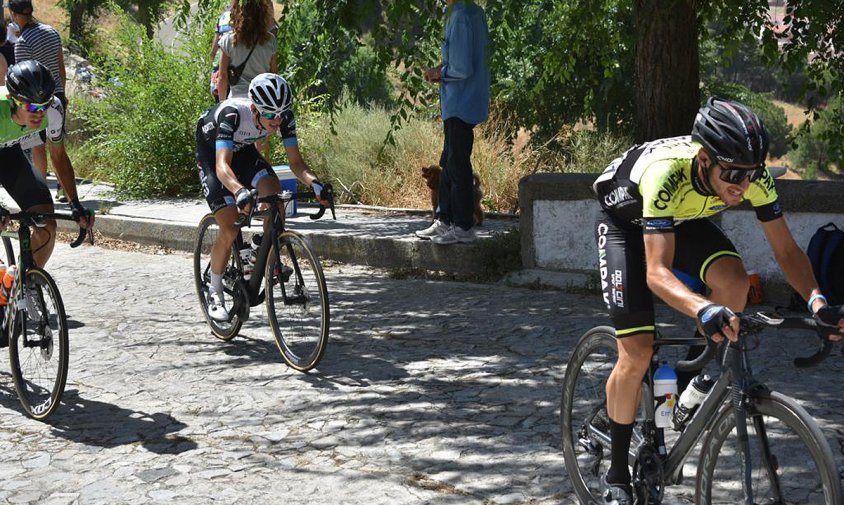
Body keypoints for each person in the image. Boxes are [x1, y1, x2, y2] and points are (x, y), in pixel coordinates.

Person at [590, 97, 844, 504]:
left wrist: (817, 301)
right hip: (624, 221)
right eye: (732, 174)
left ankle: (696, 381)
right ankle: (618, 474)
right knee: (636, 353)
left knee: (734, 283)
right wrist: (701, 308)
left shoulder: (750, 177)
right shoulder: (665, 176)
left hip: (679, 218)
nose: (742, 186)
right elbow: (657, 272)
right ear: (705, 159)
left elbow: (787, 251)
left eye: (750, 174)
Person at [196, 73, 327, 321]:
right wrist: (239, 191)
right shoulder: (232, 115)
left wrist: (316, 184)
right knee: (230, 227)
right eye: (269, 115)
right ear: (255, 109)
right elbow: (223, 167)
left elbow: (296, 162)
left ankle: (259, 252)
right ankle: (214, 290)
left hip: (243, 152)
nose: (276, 120)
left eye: (281, 113)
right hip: (214, 156)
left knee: (274, 197)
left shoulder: (282, 117)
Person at [0, 60, 93, 268]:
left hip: (9, 156)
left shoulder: (53, 110)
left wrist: (75, 204)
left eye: (43, 104)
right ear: (11, 99)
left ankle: (26, 284)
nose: (38, 112)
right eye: (31, 105)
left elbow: (58, 156)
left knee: (47, 225)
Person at [415, 0, 490, 245]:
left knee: (457, 164)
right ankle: (444, 219)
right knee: (448, 161)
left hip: (460, 102)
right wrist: (443, 70)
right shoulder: (473, 11)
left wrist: (439, 73)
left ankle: (463, 226)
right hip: (465, 101)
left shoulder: (459, 16)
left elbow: (460, 67)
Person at [8, 0, 66, 202]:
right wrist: (62, 93)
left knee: (37, 145)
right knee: (58, 149)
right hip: (55, 95)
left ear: (14, 15)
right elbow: (60, 67)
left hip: (33, 99)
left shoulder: (23, 41)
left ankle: (41, 193)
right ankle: (66, 191)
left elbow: (23, 79)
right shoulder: (52, 31)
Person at [209, 5, 232, 103]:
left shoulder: (221, 18)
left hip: (219, 59)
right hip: (236, 62)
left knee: (219, 99)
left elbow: (213, 50)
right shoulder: (242, 17)